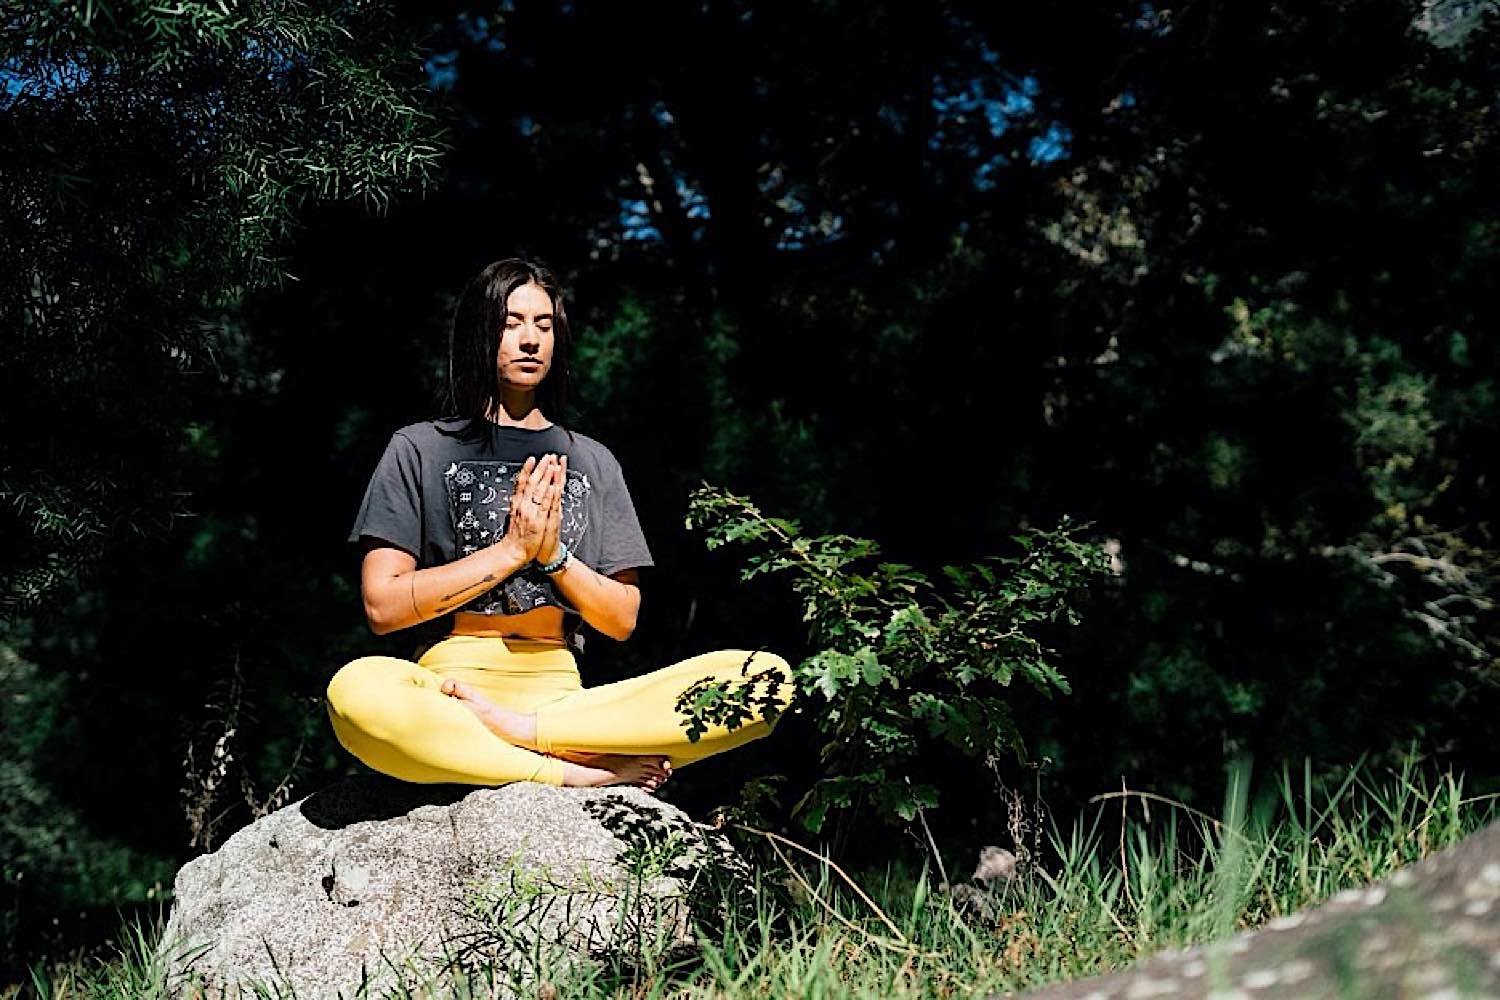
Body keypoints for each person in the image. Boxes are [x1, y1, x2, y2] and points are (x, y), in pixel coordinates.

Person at [325, 257, 794, 792]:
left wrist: (552, 555)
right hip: (451, 693)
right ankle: (562, 769)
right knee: (356, 692)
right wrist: (511, 550)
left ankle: (525, 734)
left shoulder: (592, 459)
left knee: (764, 682)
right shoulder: (419, 448)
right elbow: (382, 607)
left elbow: (621, 619)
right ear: (478, 331)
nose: (531, 341)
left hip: (564, 696)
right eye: (511, 324)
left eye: (543, 326)